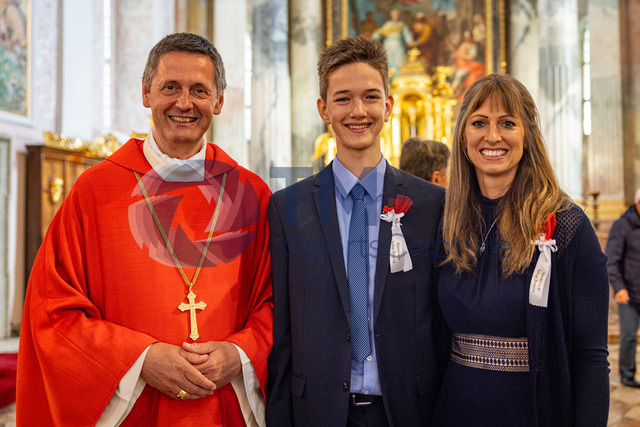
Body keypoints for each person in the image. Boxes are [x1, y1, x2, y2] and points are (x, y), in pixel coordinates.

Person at [16, 33, 273, 426]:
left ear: (219, 101)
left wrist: (238, 355)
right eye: (170, 87)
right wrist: (139, 359)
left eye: (199, 90)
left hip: (223, 407)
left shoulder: (253, 195)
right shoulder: (94, 192)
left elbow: (279, 304)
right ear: (146, 93)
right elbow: (52, 311)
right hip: (132, 412)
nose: (184, 103)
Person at [267, 36, 446, 426]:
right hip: (318, 410)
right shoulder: (287, 208)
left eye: (370, 97)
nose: (358, 111)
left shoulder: (433, 205)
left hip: (408, 409)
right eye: (343, 98)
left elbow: (442, 321)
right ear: (324, 109)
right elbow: (282, 333)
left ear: (389, 106)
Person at [433, 73, 609, 425]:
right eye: (479, 123)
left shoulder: (567, 225)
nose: (492, 136)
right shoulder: (444, 221)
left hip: (532, 410)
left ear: (527, 136)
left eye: (507, 123)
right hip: (456, 408)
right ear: (463, 136)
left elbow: (590, 357)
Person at [606, 188, 640, 388]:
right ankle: (627, 375)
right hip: (629, 292)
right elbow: (611, 260)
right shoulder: (622, 225)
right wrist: (618, 287)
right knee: (628, 336)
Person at [373, 8, 412, 79]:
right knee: (389, 62)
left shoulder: (401, 25)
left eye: (397, 14)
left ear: (399, 15)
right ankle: (389, 80)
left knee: (399, 62)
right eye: (394, 14)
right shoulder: (388, 25)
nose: (395, 16)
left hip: (398, 46)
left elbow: (407, 34)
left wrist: (409, 41)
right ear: (391, 15)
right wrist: (375, 36)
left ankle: (398, 79)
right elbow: (380, 32)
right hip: (388, 45)